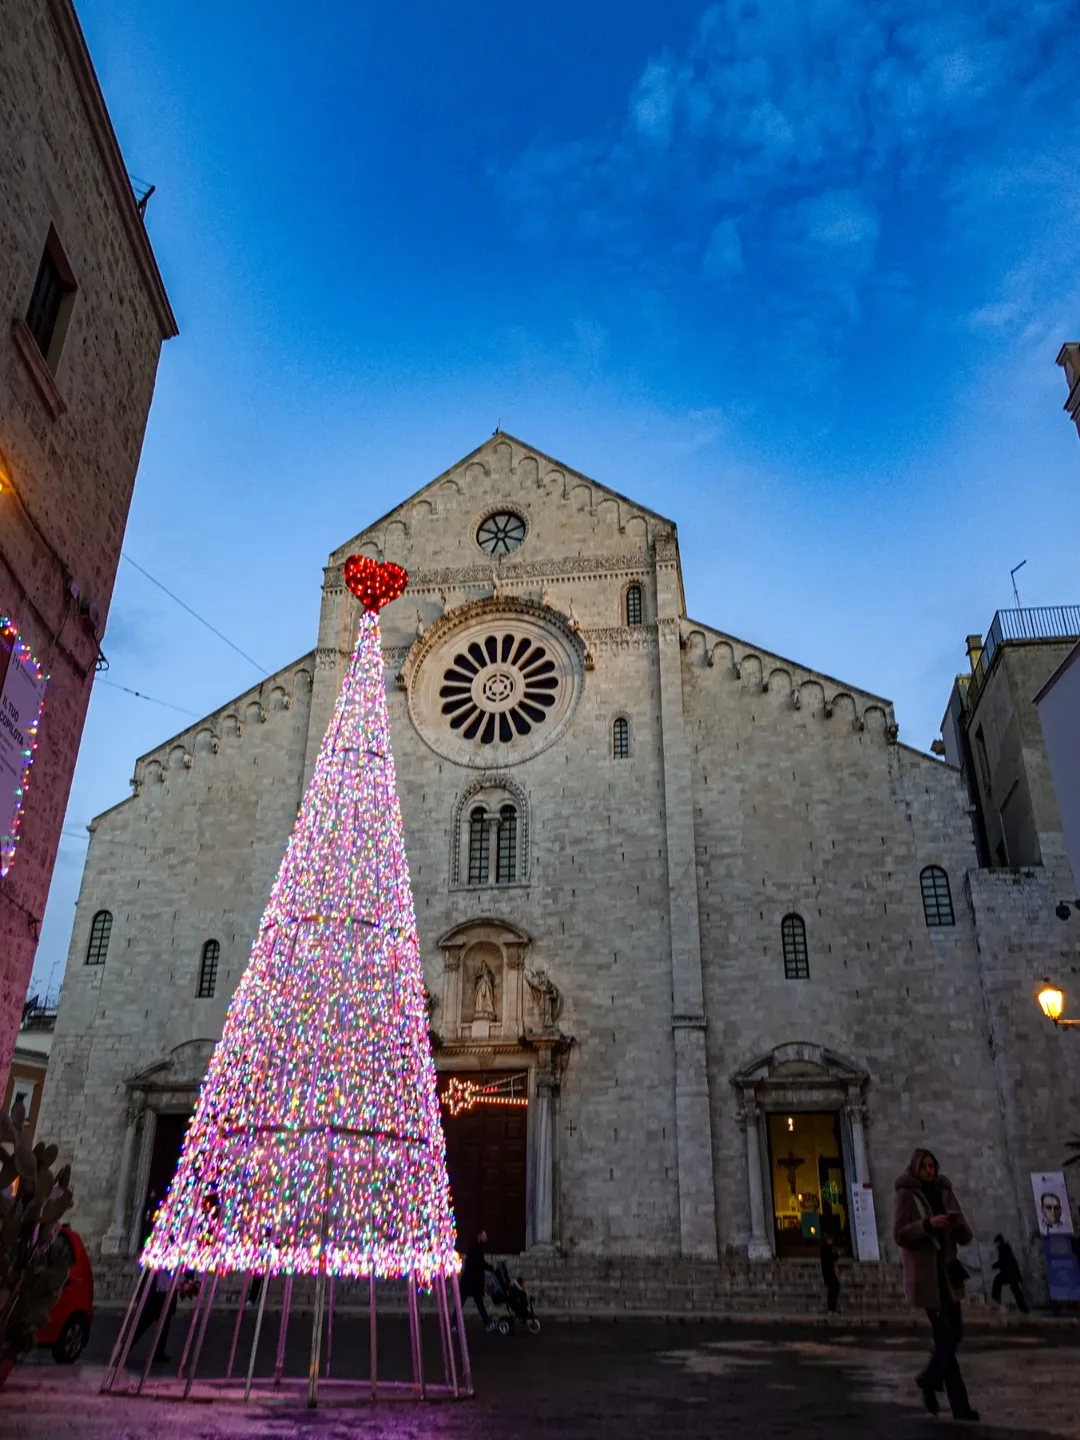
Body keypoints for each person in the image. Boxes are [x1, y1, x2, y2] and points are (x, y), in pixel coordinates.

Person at [894, 1148, 979, 1423]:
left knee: (954, 1336)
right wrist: (927, 1225)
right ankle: (960, 1406)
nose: (929, 1170)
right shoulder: (906, 1195)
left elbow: (966, 1234)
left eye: (932, 1166)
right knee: (946, 1337)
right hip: (927, 1277)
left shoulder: (945, 1192)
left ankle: (929, 1380)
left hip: (949, 1273)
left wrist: (956, 1227)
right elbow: (900, 1233)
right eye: (924, 1166)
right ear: (915, 1169)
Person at [131, 1270, 178, 1364]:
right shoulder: (155, 1264)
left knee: (164, 1328)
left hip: (167, 1295)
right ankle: (125, 1348)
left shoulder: (174, 1265)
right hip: (155, 1297)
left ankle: (159, 1353)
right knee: (142, 1325)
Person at [457, 1229, 495, 1331]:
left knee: (478, 1303)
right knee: (463, 1303)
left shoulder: (476, 1247)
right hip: (470, 1281)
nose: (486, 1238)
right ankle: (453, 1324)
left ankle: (487, 1322)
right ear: (480, 1237)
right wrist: (491, 1268)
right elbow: (479, 1264)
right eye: (484, 1236)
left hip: (472, 1281)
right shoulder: (475, 1248)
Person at [991, 1234, 1028, 1313]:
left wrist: (995, 1265)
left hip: (1009, 1274)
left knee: (998, 1282)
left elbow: (1003, 1261)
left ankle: (996, 1303)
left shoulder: (1003, 1248)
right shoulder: (1005, 1248)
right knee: (1016, 1290)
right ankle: (1024, 1308)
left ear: (998, 1242)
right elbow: (1005, 1261)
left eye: (996, 1243)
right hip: (1010, 1273)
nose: (995, 1245)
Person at [820, 1229, 840, 1313]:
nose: (831, 1241)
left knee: (834, 1289)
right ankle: (831, 1308)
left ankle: (832, 1308)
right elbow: (829, 1260)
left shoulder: (827, 1248)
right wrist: (837, 1254)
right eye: (830, 1240)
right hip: (829, 1272)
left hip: (829, 1272)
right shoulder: (826, 1249)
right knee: (833, 1290)